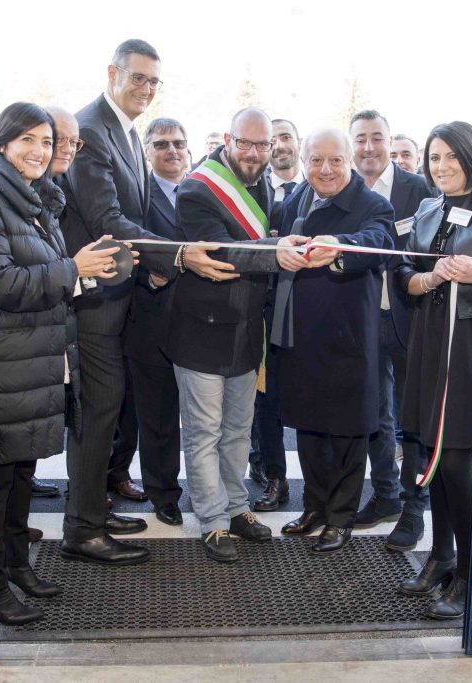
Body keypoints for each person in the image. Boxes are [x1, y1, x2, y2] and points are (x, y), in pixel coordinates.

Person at [58, 39, 230, 565]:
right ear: (112, 73)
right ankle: (82, 529)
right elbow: (107, 219)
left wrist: (158, 263)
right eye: (138, 77)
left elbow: (136, 214)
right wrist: (176, 255)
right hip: (93, 302)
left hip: (118, 297)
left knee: (106, 411)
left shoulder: (127, 132)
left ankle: (93, 509)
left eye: (154, 81)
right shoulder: (91, 129)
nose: (146, 89)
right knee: (97, 412)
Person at [0, 102, 122, 625]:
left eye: (47, 142)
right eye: (29, 140)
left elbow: (47, 275)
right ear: (2, 142)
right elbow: (1, 283)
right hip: (8, 363)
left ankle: (19, 568)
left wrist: (82, 273)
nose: (41, 151)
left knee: (21, 475)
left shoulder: (34, 198)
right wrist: (72, 268)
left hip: (33, 359)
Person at [169, 107, 307, 562]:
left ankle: (236, 508)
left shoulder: (262, 182)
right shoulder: (197, 188)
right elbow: (222, 253)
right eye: (245, 143)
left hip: (247, 332)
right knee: (203, 433)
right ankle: (212, 521)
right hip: (202, 332)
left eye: (262, 145)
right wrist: (276, 250)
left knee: (237, 432)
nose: (253, 153)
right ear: (227, 141)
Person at [273, 128, 394, 553]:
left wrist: (341, 244)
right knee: (308, 427)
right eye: (316, 160)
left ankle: (341, 518)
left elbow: (379, 240)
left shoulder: (372, 204)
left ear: (350, 160)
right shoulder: (296, 198)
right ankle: (314, 507)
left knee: (347, 432)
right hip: (302, 335)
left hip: (348, 338)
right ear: (303, 160)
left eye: (335, 161)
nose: (325, 170)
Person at [394, 121, 472, 620]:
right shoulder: (429, 209)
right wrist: (428, 277)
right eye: (434, 157)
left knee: (454, 463)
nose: (442, 166)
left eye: (451, 156)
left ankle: (470, 573)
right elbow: (403, 275)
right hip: (430, 342)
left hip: (470, 349)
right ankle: (442, 555)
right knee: (433, 455)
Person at [348, 110, 433, 545]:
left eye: (376, 137)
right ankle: (385, 494)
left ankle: (414, 507)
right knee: (373, 411)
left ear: (388, 140)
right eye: (360, 138)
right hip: (362, 320)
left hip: (410, 315)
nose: (368, 147)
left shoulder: (419, 191)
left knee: (413, 414)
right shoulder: (342, 188)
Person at [123, 117, 189, 525]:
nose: (171, 151)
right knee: (159, 418)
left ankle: (216, 492)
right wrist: (147, 277)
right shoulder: (136, 196)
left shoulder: (201, 191)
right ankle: (163, 493)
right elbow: (122, 248)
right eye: (161, 144)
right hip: (151, 320)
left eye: (178, 143)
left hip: (200, 322)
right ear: (146, 151)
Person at [252, 117, 304, 512]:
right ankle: (273, 476)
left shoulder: (316, 188)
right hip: (262, 310)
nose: (280, 145)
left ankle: (318, 486)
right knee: (265, 400)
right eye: (273, 140)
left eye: (286, 137)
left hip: (307, 311)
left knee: (309, 396)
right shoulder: (251, 190)